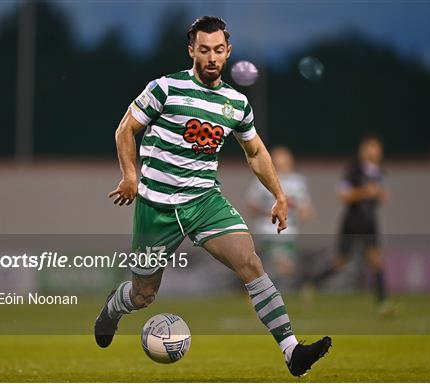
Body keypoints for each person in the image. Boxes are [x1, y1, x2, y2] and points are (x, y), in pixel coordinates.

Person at [94, 16, 331, 376]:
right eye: (204, 50)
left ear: (228, 52)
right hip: (156, 207)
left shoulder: (236, 103)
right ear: (191, 50)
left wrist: (279, 195)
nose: (211, 57)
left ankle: (291, 351)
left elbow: (255, 152)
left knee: (251, 263)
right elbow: (126, 129)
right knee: (144, 295)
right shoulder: (165, 88)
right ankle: (113, 309)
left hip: (204, 202)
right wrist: (130, 174)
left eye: (218, 50)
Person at [313, 134, 394, 315]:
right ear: (363, 150)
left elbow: (382, 195)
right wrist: (366, 192)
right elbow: (343, 195)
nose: (375, 151)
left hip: (370, 221)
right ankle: (313, 283)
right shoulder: (354, 169)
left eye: (377, 147)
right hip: (352, 221)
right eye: (371, 147)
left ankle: (382, 302)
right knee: (341, 261)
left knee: (376, 261)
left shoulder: (379, 172)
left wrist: (380, 194)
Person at [247, 146, 314, 285]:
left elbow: (306, 210)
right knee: (279, 266)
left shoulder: (298, 182)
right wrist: (269, 210)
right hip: (268, 230)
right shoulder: (263, 179)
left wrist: (297, 208)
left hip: (289, 232)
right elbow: (252, 206)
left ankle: (275, 293)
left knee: (284, 269)